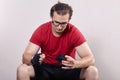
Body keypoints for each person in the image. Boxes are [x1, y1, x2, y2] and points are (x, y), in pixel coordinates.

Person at [17, 2, 98, 80]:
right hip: (45, 69)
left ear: (69, 19)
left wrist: (76, 64)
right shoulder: (42, 30)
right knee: (22, 69)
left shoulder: (74, 32)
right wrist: (33, 60)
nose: (59, 27)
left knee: (92, 71)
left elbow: (91, 59)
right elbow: (26, 57)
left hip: (67, 68)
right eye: (56, 22)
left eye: (63, 23)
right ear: (51, 17)